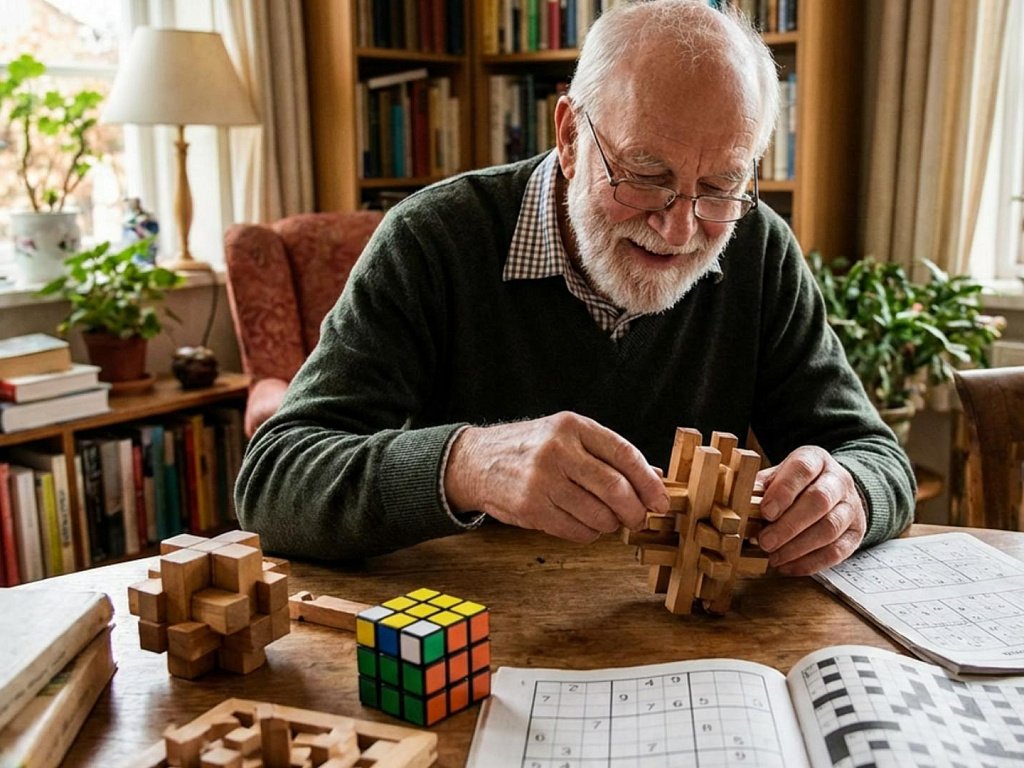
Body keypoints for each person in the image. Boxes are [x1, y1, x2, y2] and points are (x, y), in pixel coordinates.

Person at [236, 0, 915, 575]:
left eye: (719, 187)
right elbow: (274, 479)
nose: (679, 228)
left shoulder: (759, 246)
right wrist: (465, 463)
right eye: (645, 175)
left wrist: (847, 493)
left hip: (689, 644)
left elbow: (877, 457)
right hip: (474, 636)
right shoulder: (433, 239)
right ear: (568, 135)